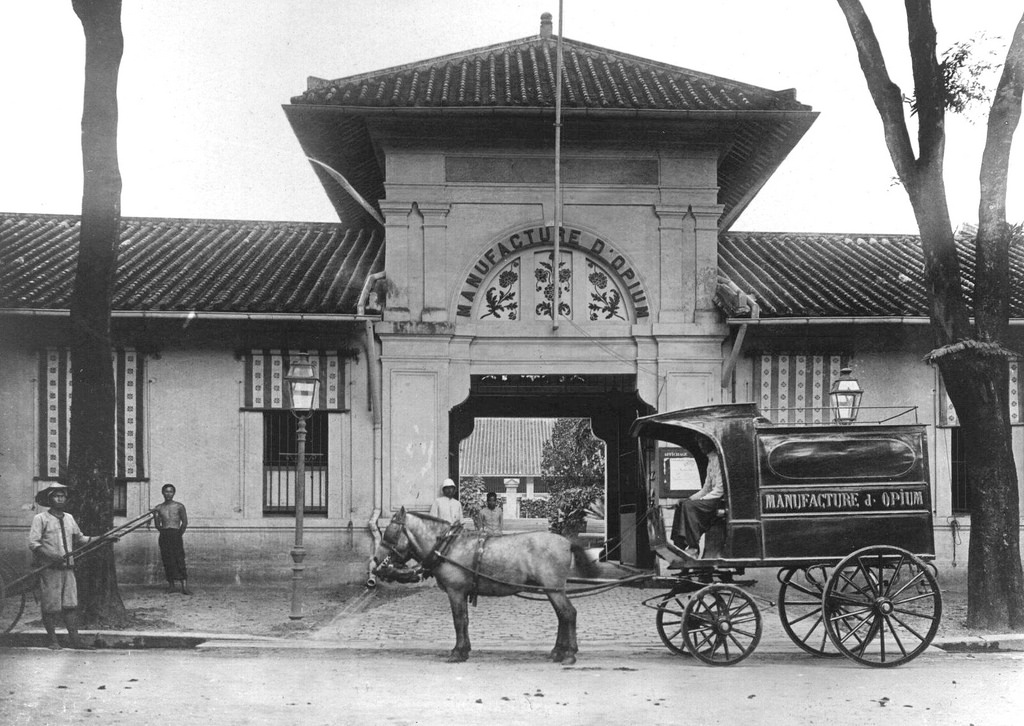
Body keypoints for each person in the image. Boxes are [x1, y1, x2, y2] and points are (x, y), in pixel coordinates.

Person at [28, 484, 110, 650]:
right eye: (56, 496)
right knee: (50, 606)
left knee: (70, 605)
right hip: (49, 569)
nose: (60, 499)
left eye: (62, 496)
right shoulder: (40, 518)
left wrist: (103, 538)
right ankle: (53, 641)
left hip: (68, 568)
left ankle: (75, 641)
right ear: (49, 499)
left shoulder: (69, 518)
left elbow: (81, 538)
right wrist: (51, 555)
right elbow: (34, 543)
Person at [679, 440, 725, 558]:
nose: (701, 446)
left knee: (689, 506)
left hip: (718, 500)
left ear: (710, 443)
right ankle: (680, 545)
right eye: (699, 443)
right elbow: (706, 488)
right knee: (683, 504)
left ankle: (694, 547)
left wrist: (700, 501)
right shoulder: (711, 460)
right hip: (712, 498)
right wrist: (690, 498)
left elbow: (719, 490)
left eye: (703, 443)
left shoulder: (718, 460)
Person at [153, 483, 190, 594]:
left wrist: (178, 534)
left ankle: (184, 587)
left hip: (176, 534)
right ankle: (171, 585)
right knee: (167, 559)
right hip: (164, 535)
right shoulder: (159, 507)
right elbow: (157, 525)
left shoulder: (179, 506)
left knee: (179, 558)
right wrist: (163, 531)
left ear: (174, 493)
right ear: (162, 493)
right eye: (166, 491)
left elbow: (184, 522)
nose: (168, 494)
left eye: (170, 492)